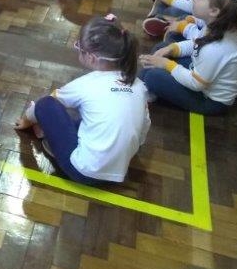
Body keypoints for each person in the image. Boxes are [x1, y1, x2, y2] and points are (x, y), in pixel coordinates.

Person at [14, 15, 150, 184]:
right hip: (121, 168)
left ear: (91, 57)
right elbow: (144, 125)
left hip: (83, 171)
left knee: (45, 105)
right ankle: (50, 134)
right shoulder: (139, 85)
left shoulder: (87, 84)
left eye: (79, 47)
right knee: (94, 118)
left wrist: (26, 120)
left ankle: (52, 145)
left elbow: (50, 102)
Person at [138, 0, 237, 115]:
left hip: (210, 100)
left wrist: (167, 65)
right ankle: (143, 86)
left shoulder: (216, 48)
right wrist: (173, 49)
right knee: (163, 48)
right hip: (202, 75)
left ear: (214, 11)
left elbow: (196, 84)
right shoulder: (217, 26)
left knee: (153, 77)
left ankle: (145, 89)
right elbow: (196, 43)